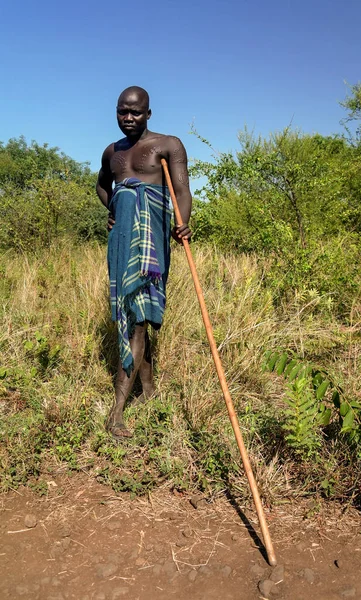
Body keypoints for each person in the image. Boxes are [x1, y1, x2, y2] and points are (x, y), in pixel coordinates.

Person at [96, 86, 192, 438]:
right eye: (123, 111)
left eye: (135, 112)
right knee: (135, 316)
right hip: (121, 241)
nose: (128, 118)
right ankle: (146, 395)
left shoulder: (168, 145)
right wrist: (114, 207)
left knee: (140, 317)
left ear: (148, 113)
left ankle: (117, 411)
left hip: (153, 241)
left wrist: (182, 222)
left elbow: (181, 190)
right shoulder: (112, 152)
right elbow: (102, 185)